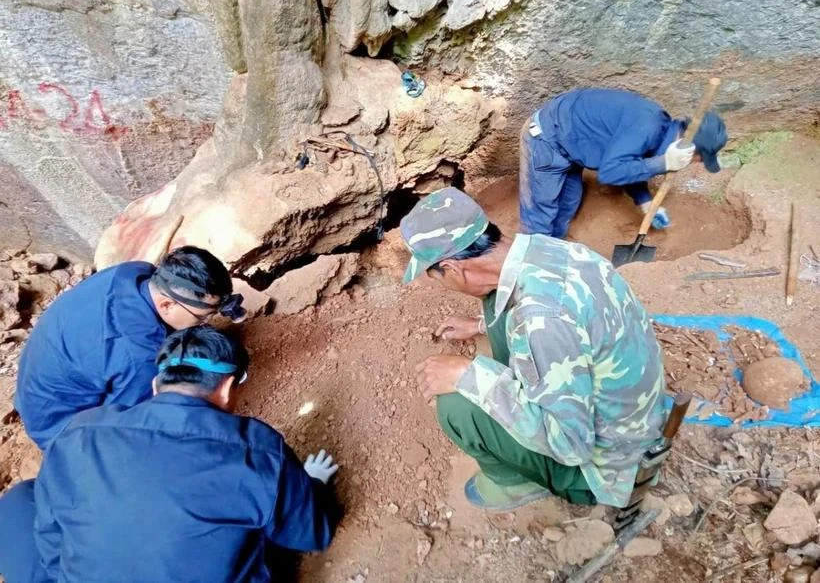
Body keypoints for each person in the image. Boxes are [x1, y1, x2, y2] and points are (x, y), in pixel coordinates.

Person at [0, 325, 340, 583]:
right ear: (225, 387)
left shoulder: (79, 433)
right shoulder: (257, 451)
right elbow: (311, 534)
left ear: (155, 386)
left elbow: (51, 539)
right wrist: (313, 488)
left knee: (19, 502)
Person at [402, 187, 666, 510]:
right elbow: (570, 322)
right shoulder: (547, 252)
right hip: (635, 419)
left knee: (456, 406)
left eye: (436, 277)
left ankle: (515, 483)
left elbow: (572, 446)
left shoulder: (539, 319)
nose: (441, 284)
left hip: (605, 470)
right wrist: (481, 326)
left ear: (455, 268)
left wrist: (469, 375)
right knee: (494, 302)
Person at [15, 245, 247, 449]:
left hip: (43, 378)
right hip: (61, 427)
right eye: (202, 317)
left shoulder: (135, 273)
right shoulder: (138, 358)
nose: (205, 323)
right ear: (166, 305)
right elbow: (139, 420)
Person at [519, 87, 728, 238]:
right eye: (698, 159)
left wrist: (645, 201)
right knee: (542, 213)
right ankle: (535, 267)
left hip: (572, 144)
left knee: (568, 203)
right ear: (689, 148)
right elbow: (611, 173)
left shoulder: (660, 131)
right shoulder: (646, 127)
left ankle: (554, 248)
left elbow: (630, 163)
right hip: (547, 138)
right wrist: (662, 163)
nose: (694, 164)